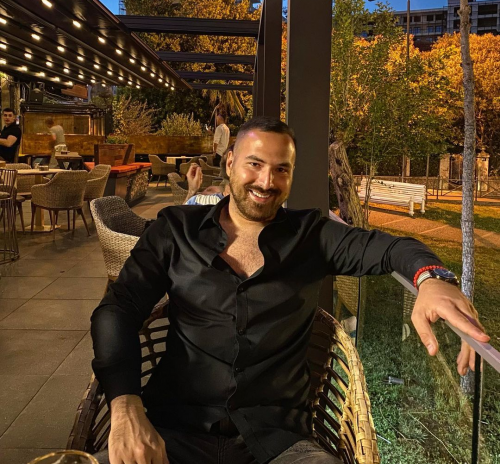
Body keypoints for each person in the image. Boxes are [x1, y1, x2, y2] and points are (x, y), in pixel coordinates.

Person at [91, 116, 488, 464]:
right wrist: (125, 407)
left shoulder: (311, 236)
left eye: (281, 169)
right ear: (229, 163)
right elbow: (117, 309)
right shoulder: (176, 229)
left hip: (278, 444)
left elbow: (393, 248)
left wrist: (433, 279)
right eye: (255, 164)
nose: (267, 182)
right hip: (171, 432)